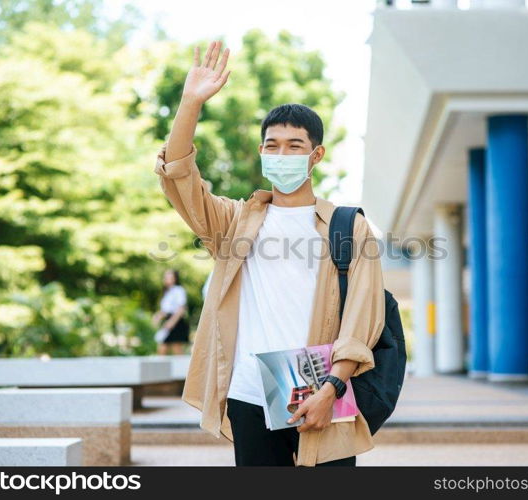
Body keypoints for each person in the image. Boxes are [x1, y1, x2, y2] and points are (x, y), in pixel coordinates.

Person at [153, 40, 385, 467]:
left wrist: (331, 388)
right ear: (261, 151)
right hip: (250, 391)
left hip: (320, 386)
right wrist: (190, 103)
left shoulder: (349, 226)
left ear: (316, 155)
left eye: (294, 146)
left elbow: (363, 319)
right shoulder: (235, 222)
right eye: (272, 145)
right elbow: (180, 176)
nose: (282, 154)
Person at [152, 269, 190, 355]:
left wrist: (171, 322)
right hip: (168, 320)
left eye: (169, 276)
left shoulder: (179, 290)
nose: (166, 279)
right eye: (165, 277)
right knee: (163, 347)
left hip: (176, 321)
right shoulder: (167, 292)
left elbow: (181, 309)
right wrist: (158, 316)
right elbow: (166, 310)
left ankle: (182, 368)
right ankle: (162, 368)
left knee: (176, 348)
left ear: (175, 278)